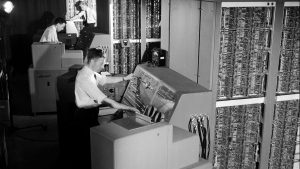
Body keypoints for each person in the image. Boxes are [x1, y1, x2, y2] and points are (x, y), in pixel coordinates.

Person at [74, 48, 138, 169]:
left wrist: (125, 78)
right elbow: (110, 102)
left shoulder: (89, 72)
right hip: (84, 118)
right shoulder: (85, 78)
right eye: (101, 63)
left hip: (89, 114)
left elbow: (105, 80)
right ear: (93, 61)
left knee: (92, 146)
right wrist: (131, 108)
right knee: (88, 151)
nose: (103, 67)